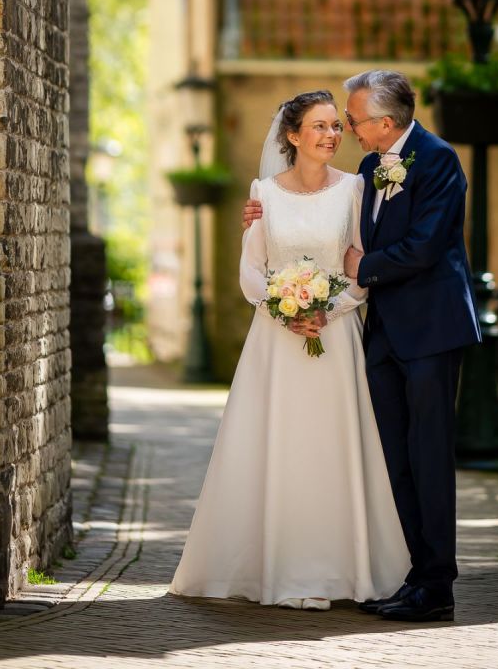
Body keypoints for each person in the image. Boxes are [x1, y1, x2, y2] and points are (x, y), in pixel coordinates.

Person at [244, 70, 481, 623]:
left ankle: (437, 587)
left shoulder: (438, 158)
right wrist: (263, 217)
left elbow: (424, 248)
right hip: (383, 337)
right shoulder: (373, 169)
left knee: (428, 459)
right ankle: (411, 576)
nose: (347, 129)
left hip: (431, 333)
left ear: (386, 122)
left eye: (351, 120)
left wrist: (363, 268)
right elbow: (337, 229)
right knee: (393, 459)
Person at [170, 90, 409, 611]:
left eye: (335, 127)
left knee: (331, 447)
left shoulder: (355, 189)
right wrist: (284, 308)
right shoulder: (263, 195)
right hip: (276, 342)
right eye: (318, 127)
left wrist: (332, 308)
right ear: (293, 136)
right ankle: (274, 566)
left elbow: (362, 266)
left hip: (335, 334)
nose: (329, 136)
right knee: (276, 444)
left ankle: (341, 568)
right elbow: (251, 268)